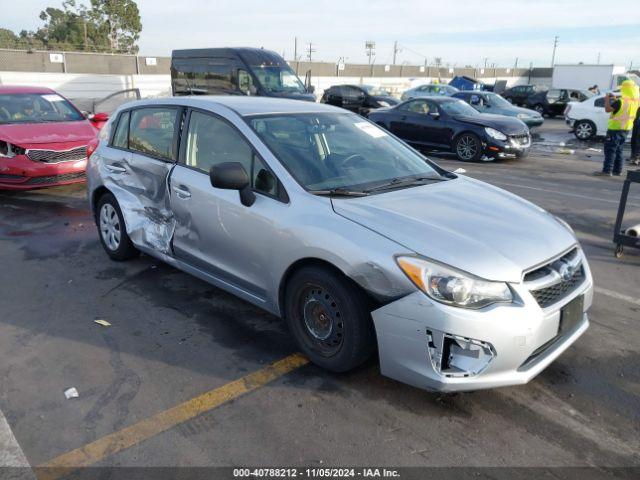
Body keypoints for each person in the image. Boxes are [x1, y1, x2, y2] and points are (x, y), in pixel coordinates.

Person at [593, 80, 640, 177]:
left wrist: (607, 99)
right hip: (626, 129)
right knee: (619, 149)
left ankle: (607, 171)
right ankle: (617, 170)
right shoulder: (636, 102)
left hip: (615, 129)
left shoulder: (620, 102)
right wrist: (615, 98)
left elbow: (607, 109)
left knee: (610, 150)